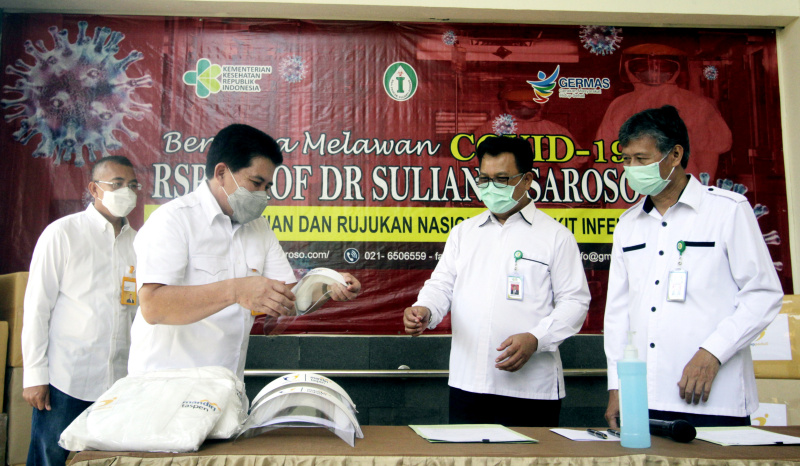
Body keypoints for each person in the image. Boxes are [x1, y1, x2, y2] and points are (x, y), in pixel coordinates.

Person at [127, 124, 361, 380]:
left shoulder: (259, 228)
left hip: (226, 384)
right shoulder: (173, 220)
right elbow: (153, 306)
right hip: (167, 384)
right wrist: (237, 291)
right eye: (256, 183)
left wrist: (327, 287)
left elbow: (289, 299)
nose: (263, 195)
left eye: (267, 187)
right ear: (221, 173)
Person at [603, 105, 783, 428]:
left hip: (715, 397)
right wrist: (617, 385)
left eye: (641, 159)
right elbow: (618, 314)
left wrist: (713, 353)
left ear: (675, 155)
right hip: (643, 400)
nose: (631, 169)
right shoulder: (628, 224)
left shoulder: (727, 211)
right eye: (626, 159)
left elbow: (763, 294)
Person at [403, 136, 591, 427]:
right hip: (468, 384)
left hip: (531, 390)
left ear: (527, 180)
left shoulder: (555, 236)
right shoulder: (465, 233)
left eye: (502, 179)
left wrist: (536, 339)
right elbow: (441, 285)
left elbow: (575, 302)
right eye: (484, 179)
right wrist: (425, 309)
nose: (491, 187)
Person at [22, 155, 140, 466]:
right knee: (51, 458)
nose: (126, 191)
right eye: (117, 184)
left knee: (106, 460)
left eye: (132, 185)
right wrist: (34, 375)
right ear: (94, 189)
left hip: (118, 381)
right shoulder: (63, 233)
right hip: (66, 379)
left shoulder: (138, 244)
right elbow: (37, 308)